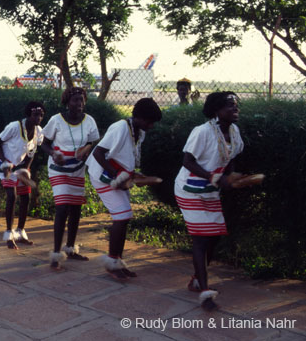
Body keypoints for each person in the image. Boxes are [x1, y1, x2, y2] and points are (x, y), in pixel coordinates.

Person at [174, 91, 243, 311]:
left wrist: (230, 177)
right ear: (216, 110)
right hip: (189, 188)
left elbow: (230, 158)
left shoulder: (234, 131)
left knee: (214, 237)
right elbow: (188, 161)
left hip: (210, 190)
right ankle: (204, 292)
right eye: (230, 106)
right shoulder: (202, 132)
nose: (235, 109)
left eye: (236, 106)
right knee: (202, 239)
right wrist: (215, 178)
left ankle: (196, 279)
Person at [87, 98, 162, 280]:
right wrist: (117, 175)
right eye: (149, 122)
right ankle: (112, 263)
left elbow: (127, 157)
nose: (151, 126)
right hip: (103, 177)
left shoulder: (138, 131)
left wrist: (133, 175)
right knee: (122, 216)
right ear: (139, 117)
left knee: (124, 218)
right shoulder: (120, 127)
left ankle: (117, 261)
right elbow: (98, 153)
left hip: (117, 177)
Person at [41, 87, 100, 270]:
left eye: (82, 100)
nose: (79, 104)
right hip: (58, 168)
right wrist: (52, 153)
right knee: (62, 208)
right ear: (67, 102)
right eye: (75, 100)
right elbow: (43, 142)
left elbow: (93, 140)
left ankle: (71, 248)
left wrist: (87, 148)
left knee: (75, 209)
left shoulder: (89, 120)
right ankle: (56, 254)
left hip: (77, 169)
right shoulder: (56, 120)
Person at [0, 101, 45, 249]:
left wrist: (26, 169)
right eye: (36, 114)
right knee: (12, 196)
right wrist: (4, 163)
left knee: (25, 196)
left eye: (41, 115)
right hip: (2, 163)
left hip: (18, 167)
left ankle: (20, 232)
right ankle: (9, 235)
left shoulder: (38, 132)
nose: (38, 118)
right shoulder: (14, 126)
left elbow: (32, 152)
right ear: (29, 114)